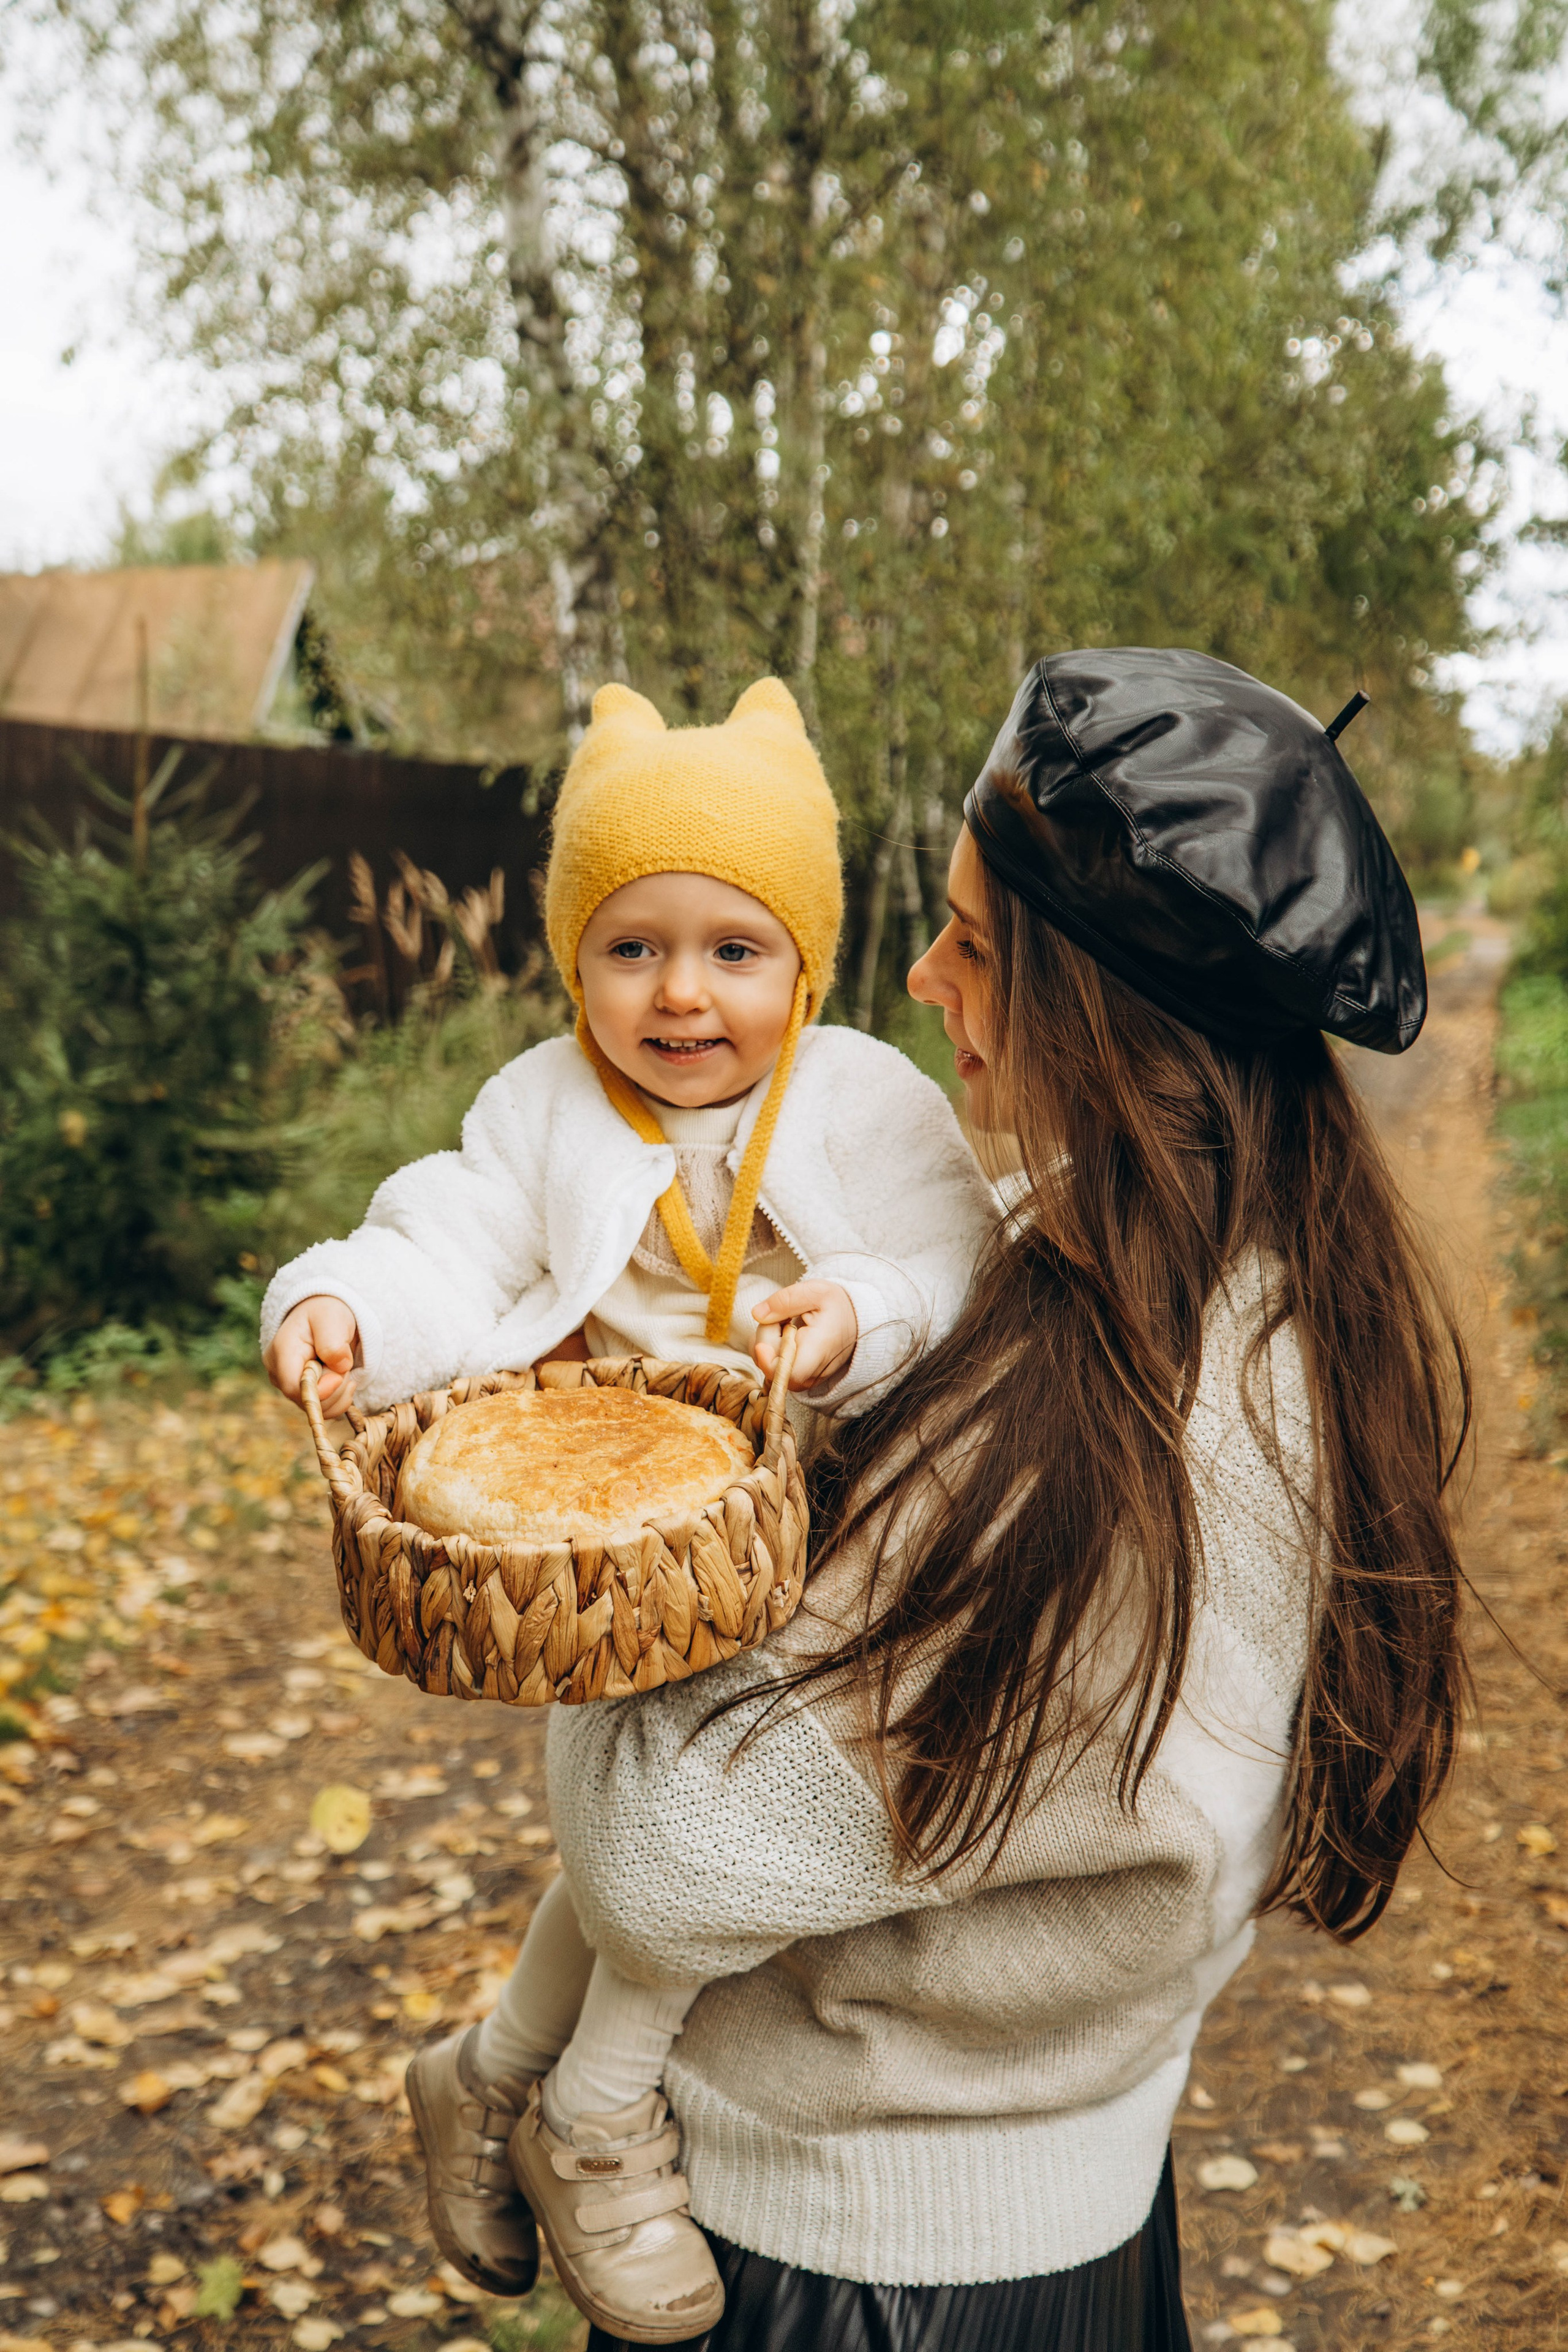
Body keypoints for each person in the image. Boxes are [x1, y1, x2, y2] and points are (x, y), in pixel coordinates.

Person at [526, 648, 1471, 2352]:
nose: (918, 974)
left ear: (1089, 1007)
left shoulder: (1102, 1430)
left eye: (970, 939)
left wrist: (597, 1580)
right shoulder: (1249, 1283)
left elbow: (664, 1862)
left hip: (857, 2271)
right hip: (1042, 2213)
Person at [260, 676, 998, 2339]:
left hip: (836, 1507)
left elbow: (954, 1254)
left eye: (733, 950)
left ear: (801, 960)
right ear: (572, 960)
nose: (681, 994)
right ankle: (597, 2122)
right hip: (622, 1547)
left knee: (703, 1816)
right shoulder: (541, 1109)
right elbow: (444, 1239)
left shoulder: (865, 1097)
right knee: (680, 1802)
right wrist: (353, 1312)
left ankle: (523, 2078)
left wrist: (861, 1309)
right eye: (630, 946)